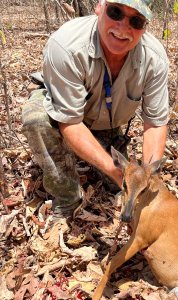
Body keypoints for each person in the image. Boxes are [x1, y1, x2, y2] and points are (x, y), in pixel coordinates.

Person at [21, 0, 169, 220]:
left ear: (145, 26)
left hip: (108, 121)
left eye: (135, 20)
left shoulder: (154, 58)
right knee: (36, 119)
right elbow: (69, 121)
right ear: (99, 7)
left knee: (119, 187)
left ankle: (106, 140)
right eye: (115, 12)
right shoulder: (66, 45)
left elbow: (155, 123)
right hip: (68, 114)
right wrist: (114, 171)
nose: (123, 27)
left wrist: (147, 177)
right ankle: (66, 198)